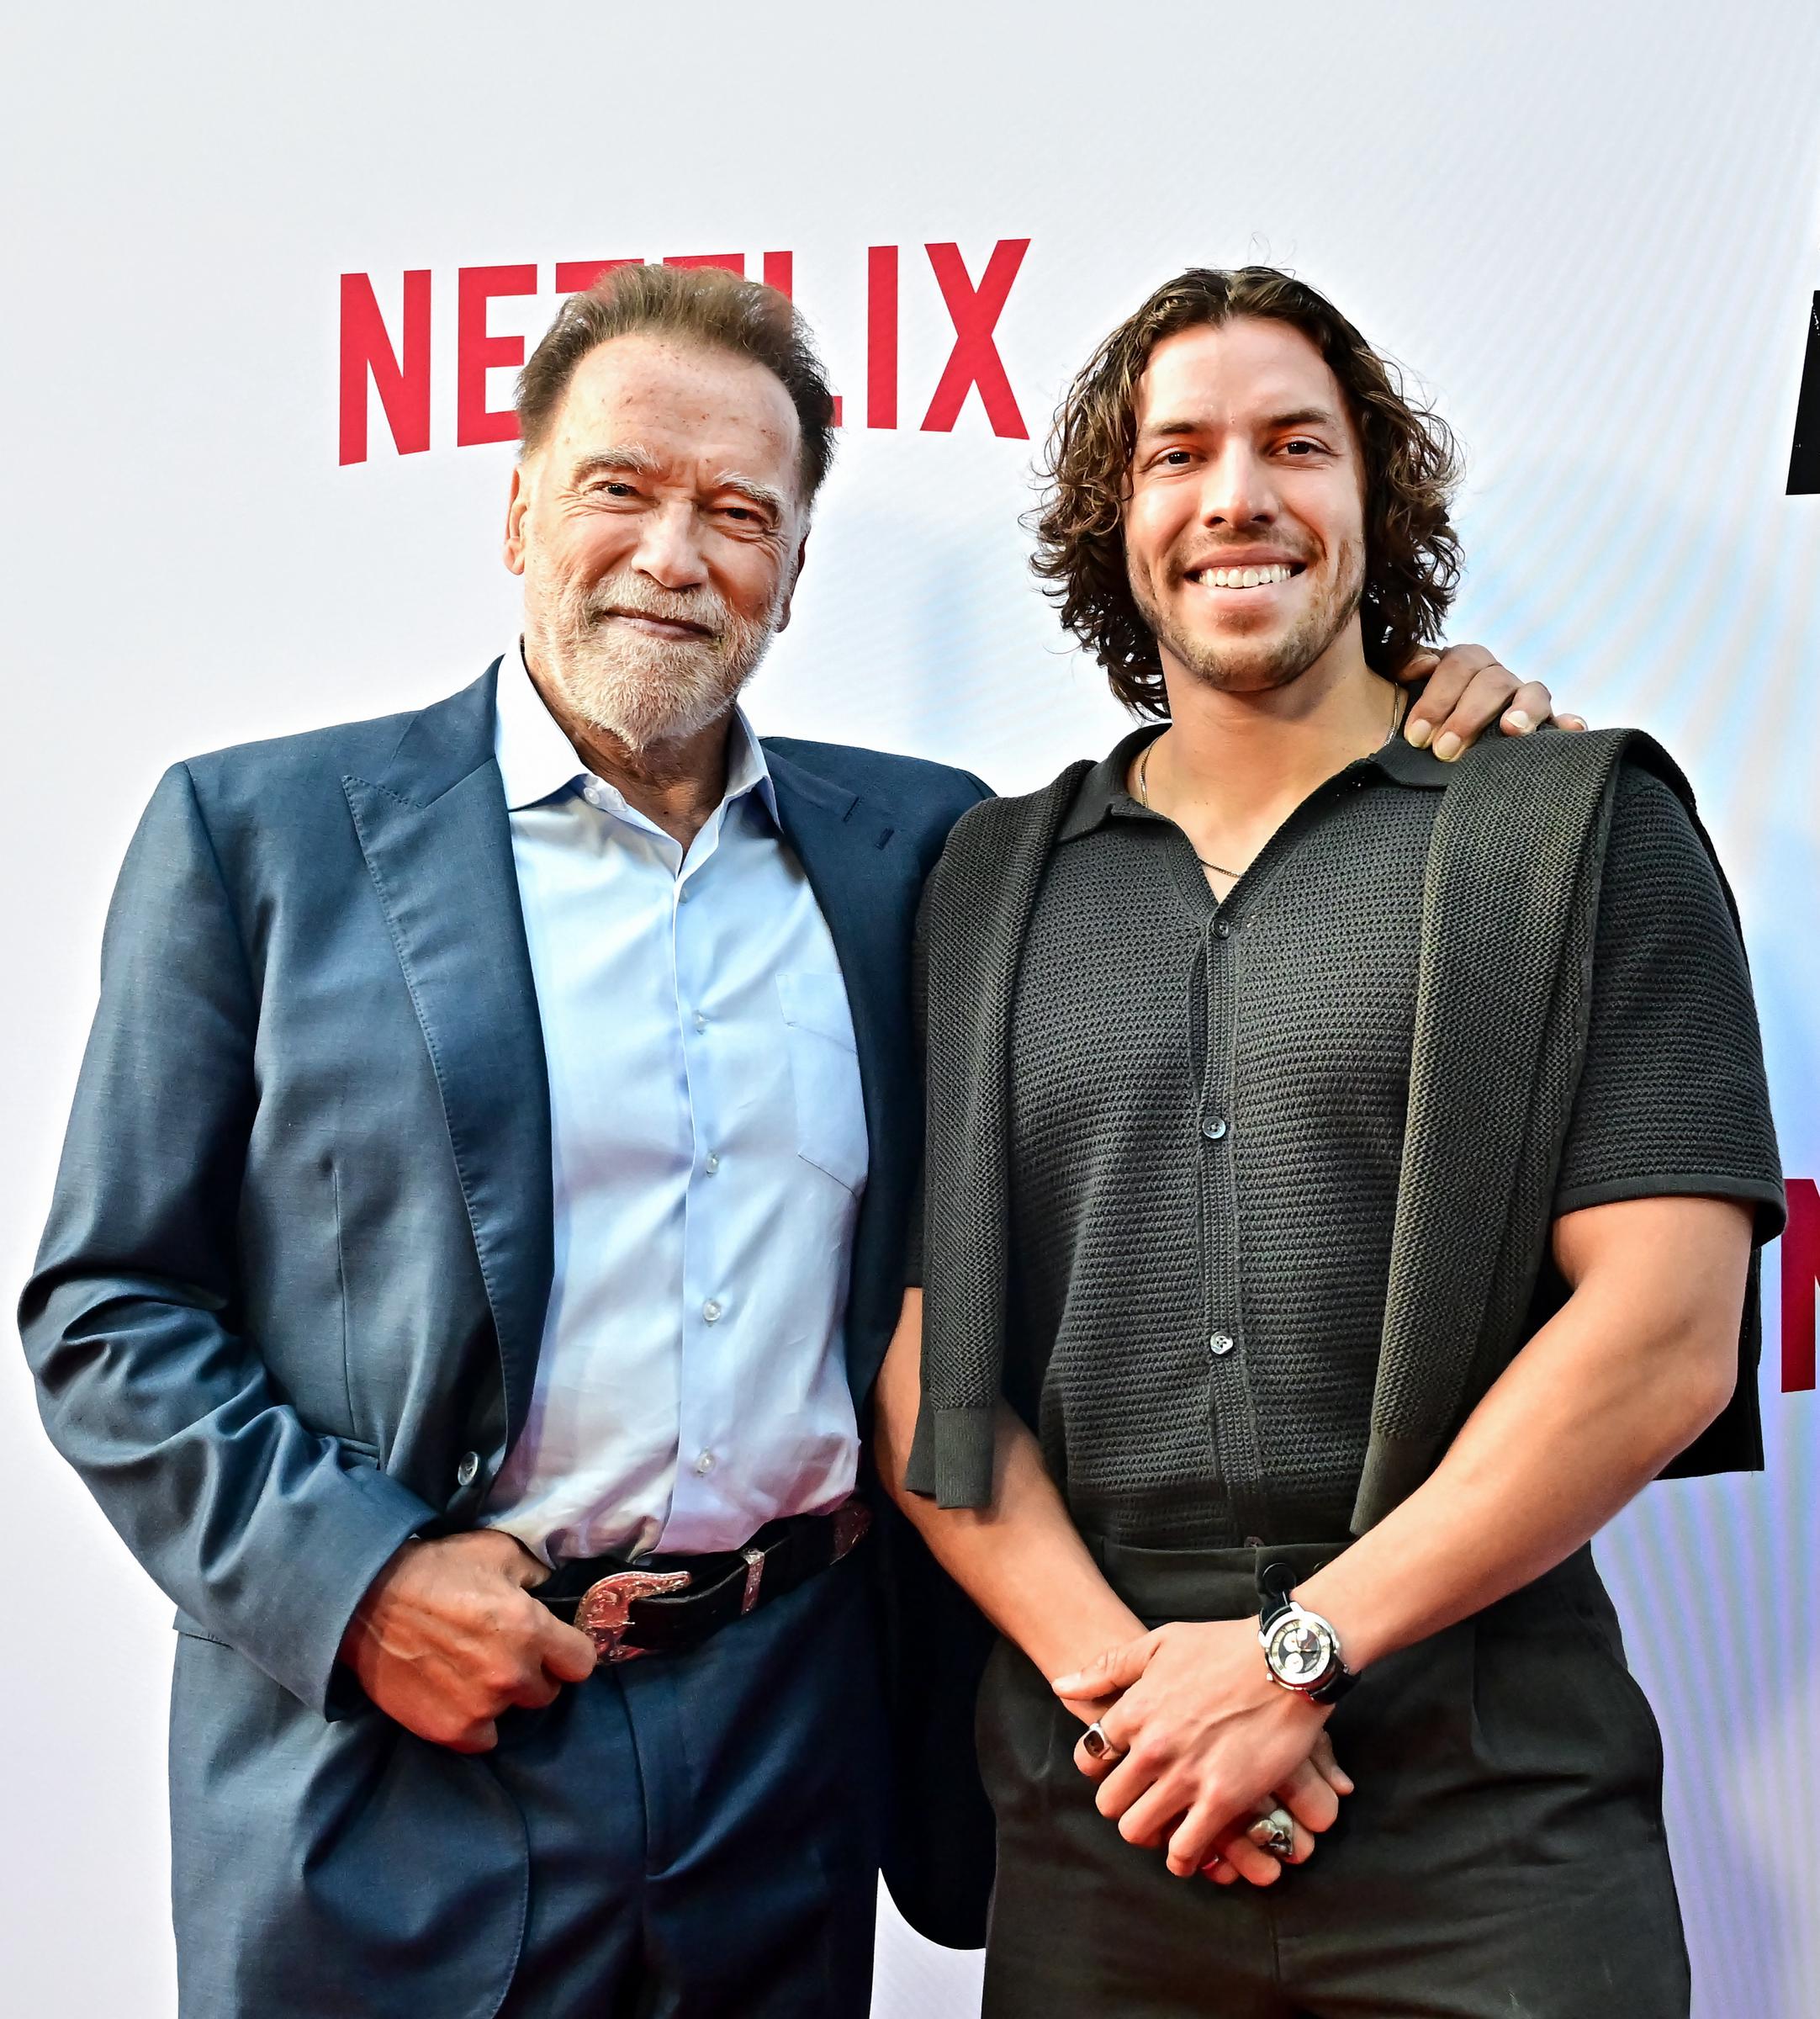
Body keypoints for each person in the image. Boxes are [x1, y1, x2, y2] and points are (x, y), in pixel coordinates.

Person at [20, 261, 1558, 2019]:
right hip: (399, 1757)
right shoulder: (258, 840)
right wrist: (356, 1587)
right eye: (619, 488)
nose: (674, 556)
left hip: (782, 1752)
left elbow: (1227, 796)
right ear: (517, 510)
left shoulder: (920, 850)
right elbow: (110, 1309)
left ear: (796, 565)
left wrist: (1430, 706)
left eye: (739, 512)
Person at [876, 266, 1784, 2018]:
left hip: (1490, 1800)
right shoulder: (987, 882)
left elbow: (1665, 1330)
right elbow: (933, 1366)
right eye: (1177, 455)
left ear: (1375, 498)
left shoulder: (1574, 828)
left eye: (1296, 445)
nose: (1237, 496)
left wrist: (1292, 1657)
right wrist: (1138, 1701)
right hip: (1106, 1797)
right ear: (1114, 520)